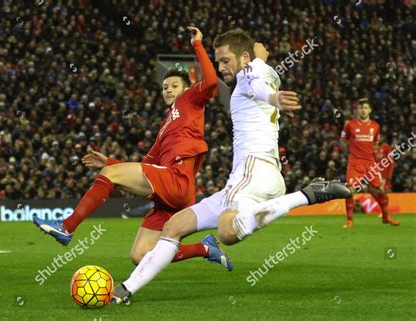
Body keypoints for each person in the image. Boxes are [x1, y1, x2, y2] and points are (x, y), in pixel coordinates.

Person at [112, 28, 351, 303]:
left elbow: (257, 84)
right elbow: (258, 71)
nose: (220, 67)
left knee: (227, 232)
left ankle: (308, 194)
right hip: (248, 177)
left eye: (225, 60)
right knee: (175, 225)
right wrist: (259, 59)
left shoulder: (250, 74)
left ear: (244, 58)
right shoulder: (262, 69)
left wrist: (273, 97)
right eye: (218, 61)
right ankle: (126, 289)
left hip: (254, 170)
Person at [33, 27, 233, 270]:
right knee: (142, 255)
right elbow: (146, 164)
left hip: (177, 180)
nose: (168, 89)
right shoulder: (165, 127)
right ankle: (205, 248)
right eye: (164, 87)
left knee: (110, 177)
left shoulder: (190, 100)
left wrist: (198, 44)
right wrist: (108, 162)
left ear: (186, 89)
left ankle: (67, 227)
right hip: (170, 193)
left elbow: (212, 81)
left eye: (173, 85)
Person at [341, 98, 399, 228]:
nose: (363, 110)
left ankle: (386, 216)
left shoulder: (375, 126)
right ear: (357, 110)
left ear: (370, 110)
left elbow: (376, 144)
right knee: (350, 190)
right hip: (355, 163)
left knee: (380, 190)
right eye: (361, 108)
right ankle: (349, 220)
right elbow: (343, 141)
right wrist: (350, 154)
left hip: (370, 163)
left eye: (365, 108)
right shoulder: (350, 124)